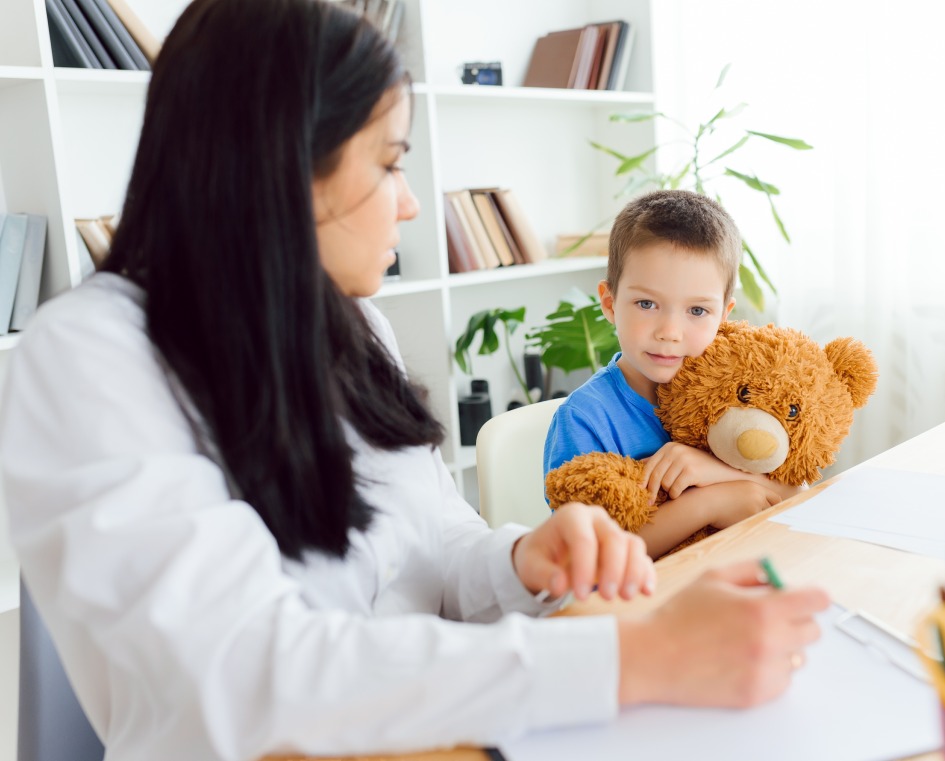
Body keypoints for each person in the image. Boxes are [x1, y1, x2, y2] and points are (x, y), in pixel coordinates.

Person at [0, 1, 829, 758]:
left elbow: (433, 545)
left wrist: (521, 560)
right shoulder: (90, 355)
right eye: (390, 164)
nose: (409, 204)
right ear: (285, 164)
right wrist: (640, 653)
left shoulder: (355, 326)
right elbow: (245, 679)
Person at [544, 190, 803, 558]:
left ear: (723, 316)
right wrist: (707, 504)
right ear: (610, 304)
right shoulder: (585, 419)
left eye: (697, 311)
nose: (670, 331)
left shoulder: (737, 389)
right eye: (646, 304)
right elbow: (588, 554)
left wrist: (713, 470)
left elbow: (798, 490)